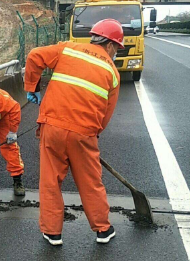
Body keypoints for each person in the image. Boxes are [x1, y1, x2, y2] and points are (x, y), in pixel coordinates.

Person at [24, 19, 123, 246]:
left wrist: (32, 87)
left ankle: (52, 233)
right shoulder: (112, 73)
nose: (116, 52)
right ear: (109, 45)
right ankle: (103, 229)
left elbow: (34, 56)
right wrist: (92, 134)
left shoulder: (68, 48)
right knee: (90, 182)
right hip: (84, 133)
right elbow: (106, 115)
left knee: (50, 180)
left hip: (53, 127)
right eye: (117, 47)